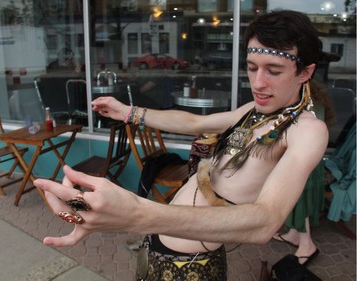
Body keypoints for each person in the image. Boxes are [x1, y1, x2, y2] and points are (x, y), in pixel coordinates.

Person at [33, 10, 329, 280]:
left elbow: (266, 221)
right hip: (158, 247)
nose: (258, 82)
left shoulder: (307, 130)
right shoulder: (253, 110)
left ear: (305, 72)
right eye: (252, 67)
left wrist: (138, 214)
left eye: (274, 71)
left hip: (192, 267)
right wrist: (130, 113)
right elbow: (194, 123)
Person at [272, 79, 335, 267]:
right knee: (296, 198)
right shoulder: (317, 103)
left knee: (297, 199)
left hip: (304, 165)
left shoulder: (303, 108)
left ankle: (307, 245)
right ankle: (293, 233)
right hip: (311, 164)